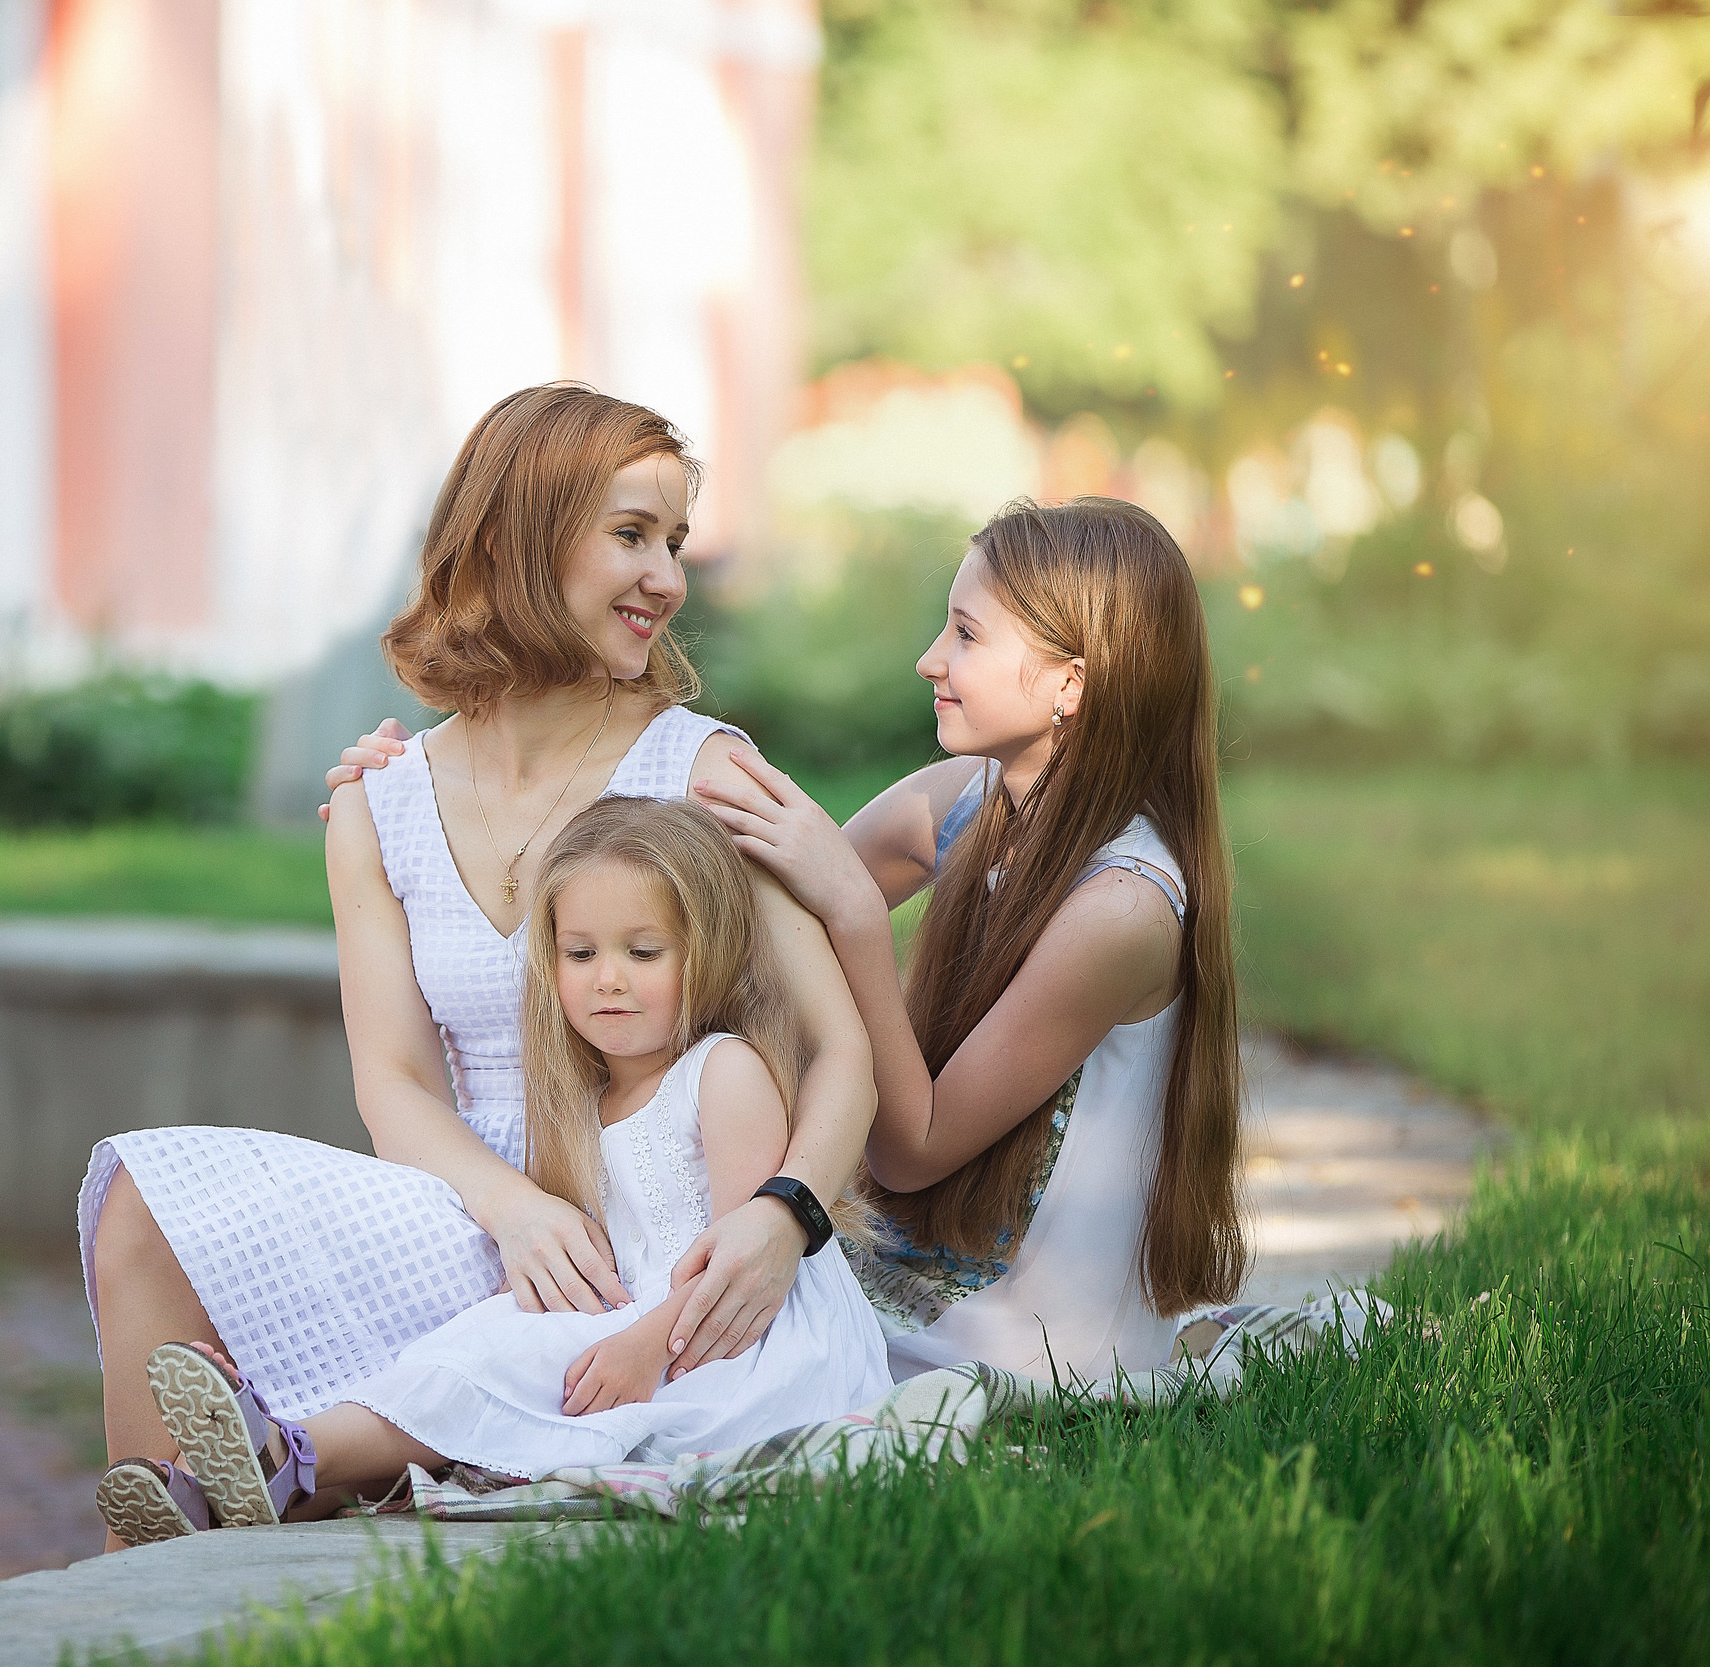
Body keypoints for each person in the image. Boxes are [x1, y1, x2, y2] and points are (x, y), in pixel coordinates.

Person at [82, 384, 876, 1545]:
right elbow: (393, 1084)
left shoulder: (696, 771)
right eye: (630, 536)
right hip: (472, 1214)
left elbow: (839, 1046)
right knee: (140, 1199)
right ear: (517, 539)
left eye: (673, 542)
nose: (667, 578)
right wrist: (507, 1207)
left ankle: (264, 1490)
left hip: (645, 1232)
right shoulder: (380, 803)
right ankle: (144, 1572)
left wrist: (782, 1217)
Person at [331, 495, 1244, 1390]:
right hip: (912, 1278)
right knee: (608, 1319)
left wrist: (855, 914)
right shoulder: (964, 800)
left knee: (651, 1348)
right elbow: (748, 946)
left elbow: (913, 1146)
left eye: (966, 635)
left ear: (1070, 683)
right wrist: (424, 780)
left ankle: (322, 1445)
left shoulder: (1123, 910)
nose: (931, 659)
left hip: (1020, 1339)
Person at [98, 798, 892, 1541]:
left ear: (708, 950)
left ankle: (287, 1454)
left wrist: (644, 1345)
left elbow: (741, 1266)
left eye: (642, 951)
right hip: (651, 1321)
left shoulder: (724, 1071)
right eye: (580, 953)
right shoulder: (591, 1098)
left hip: (732, 1338)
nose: (607, 976)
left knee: (504, 1353)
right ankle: (254, 1477)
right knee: (482, 1339)